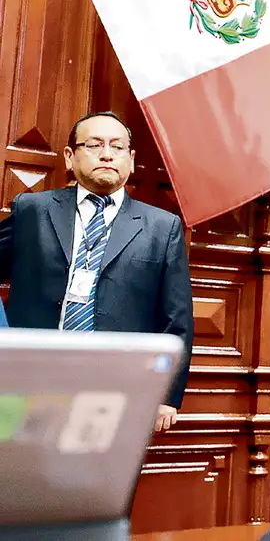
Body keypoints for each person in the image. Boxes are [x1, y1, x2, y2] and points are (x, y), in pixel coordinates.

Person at [0, 111, 193, 432]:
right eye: (94, 145)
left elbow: (177, 317)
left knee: (101, 479)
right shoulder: (33, 210)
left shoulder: (162, 227)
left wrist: (167, 393)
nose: (106, 154)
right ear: (69, 157)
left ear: (131, 160)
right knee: (19, 476)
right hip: (31, 380)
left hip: (116, 387)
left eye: (117, 147)